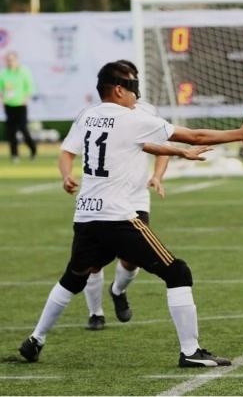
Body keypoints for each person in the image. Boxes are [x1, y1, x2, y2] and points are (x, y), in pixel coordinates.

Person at [18, 60, 243, 367]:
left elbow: (139, 146)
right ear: (119, 90)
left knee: (73, 277)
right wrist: (241, 133)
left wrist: (178, 153)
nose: (137, 93)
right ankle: (190, 351)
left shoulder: (87, 115)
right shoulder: (130, 119)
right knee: (178, 272)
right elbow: (196, 136)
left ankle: (35, 340)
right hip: (118, 217)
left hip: (86, 215)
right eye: (132, 87)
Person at [83, 60, 170, 331]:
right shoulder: (97, 114)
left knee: (132, 259)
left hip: (135, 197)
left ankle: (118, 291)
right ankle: (95, 313)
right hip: (105, 198)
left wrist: (157, 176)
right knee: (92, 263)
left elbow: (163, 147)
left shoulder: (145, 112)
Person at [0, 51, 37, 162]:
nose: (10, 62)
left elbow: (29, 87)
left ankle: (33, 149)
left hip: (20, 105)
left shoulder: (23, 72)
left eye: (12, 60)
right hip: (9, 105)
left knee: (23, 129)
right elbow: (1, 89)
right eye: (8, 60)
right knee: (11, 131)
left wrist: (25, 99)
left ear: (16, 60)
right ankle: (14, 155)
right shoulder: (4, 73)